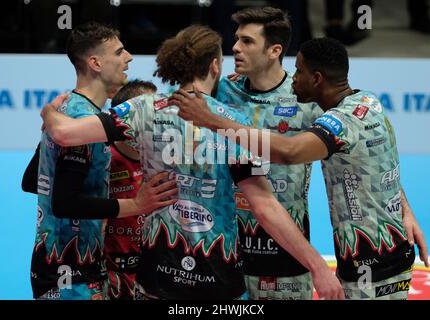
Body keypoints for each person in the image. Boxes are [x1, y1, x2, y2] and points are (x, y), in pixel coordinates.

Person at [39, 25, 344, 300]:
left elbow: (65, 134)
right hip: (217, 278)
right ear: (214, 65)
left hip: (156, 278)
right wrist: (316, 265)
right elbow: (264, 207)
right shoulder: (231, 123)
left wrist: (50, 114)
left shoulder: (145, 108)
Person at [169, 37, 429, 300]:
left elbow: (289, 152)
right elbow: (381, 164)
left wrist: (212, 120)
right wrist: (405, 209)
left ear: (317, 79)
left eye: (300, 72)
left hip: (372, 266)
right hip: (383, 256)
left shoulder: (342, 122)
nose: (293, 78)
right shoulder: (367, 102)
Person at [21, 22, 177, 300]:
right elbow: (64, 202)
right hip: (71, 272)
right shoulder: (80, 120)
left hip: (62, 265)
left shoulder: (69, 114)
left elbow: (31, 181)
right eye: (119, 52)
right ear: (95, 63)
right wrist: (137, 205)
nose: (128, 57)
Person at [215, 6, 323, 300]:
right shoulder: (221, 91)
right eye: (236, 39)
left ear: (274, 50)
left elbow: (352, 151)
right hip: (224, 250)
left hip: (286, 252)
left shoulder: (305, 98)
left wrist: (402, 208)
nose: (235, 47)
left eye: (247, 41)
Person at [104, 80, 158, 300]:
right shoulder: (103, 157)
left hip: (156, 276)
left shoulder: (167, 158)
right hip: (112, 276)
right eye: (151, 114)